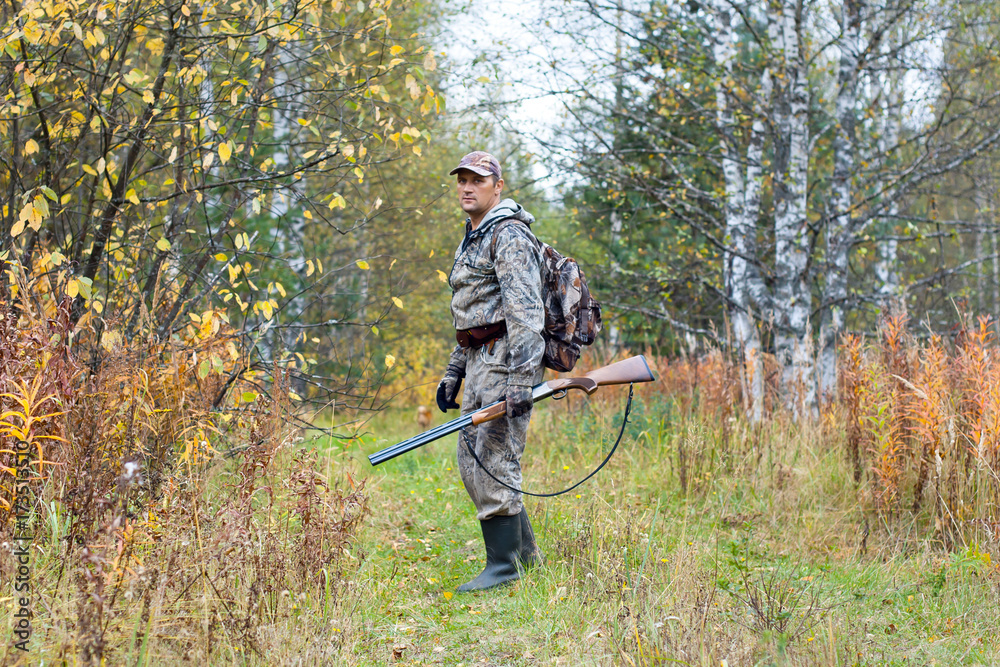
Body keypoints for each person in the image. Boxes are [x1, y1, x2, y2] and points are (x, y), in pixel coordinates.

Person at [436, 151, 545, 592]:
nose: (467, 187)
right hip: (481, 360)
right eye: (462, 179)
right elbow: (474, 312)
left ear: (498, 186)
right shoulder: (474, 234)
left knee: (494, 458)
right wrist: (454, 371)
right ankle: (525, 556)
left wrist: (521, 381)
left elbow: (525, 314)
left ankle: (504, 567)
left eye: (477, 180)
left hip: (506, 362)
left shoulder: (509, 235)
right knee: (473, 458)